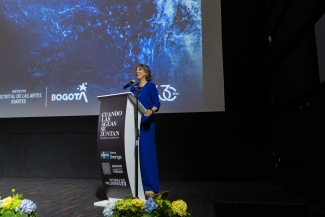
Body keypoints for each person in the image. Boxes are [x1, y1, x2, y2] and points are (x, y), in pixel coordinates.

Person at [130, 64, 161, 200]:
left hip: (146, 123)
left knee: (146, 154)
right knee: (135, 156)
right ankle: (137, 186)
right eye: (136, 70)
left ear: (146, 73)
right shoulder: (133, 88)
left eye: (140, 70)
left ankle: (150, 187)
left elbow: (157, 104)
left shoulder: (151, 86)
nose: (137, 71)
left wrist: (151, 110)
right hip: (133, 123)